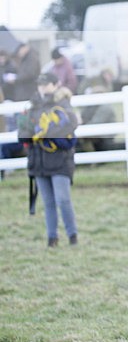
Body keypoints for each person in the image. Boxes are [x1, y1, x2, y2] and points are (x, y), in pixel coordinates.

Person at [17, 72, 80, 247]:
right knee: (48, 202)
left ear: (55, 84)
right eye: (40, 84)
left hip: (59, 160)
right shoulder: (31, 109)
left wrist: (42, 135)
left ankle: (72, 235)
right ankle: (52, 238)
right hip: (38, 161)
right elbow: (22, 134)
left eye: (46, 84)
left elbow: (70, 126)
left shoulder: (63, 105)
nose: (43, 88)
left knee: (63, 199)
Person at [79, 84, 117, 152]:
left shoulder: (105, 107)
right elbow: (84, 115)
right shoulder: (93, 106)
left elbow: (95, 123)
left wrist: (81, 129)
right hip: (97, 134)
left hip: (104, 136)